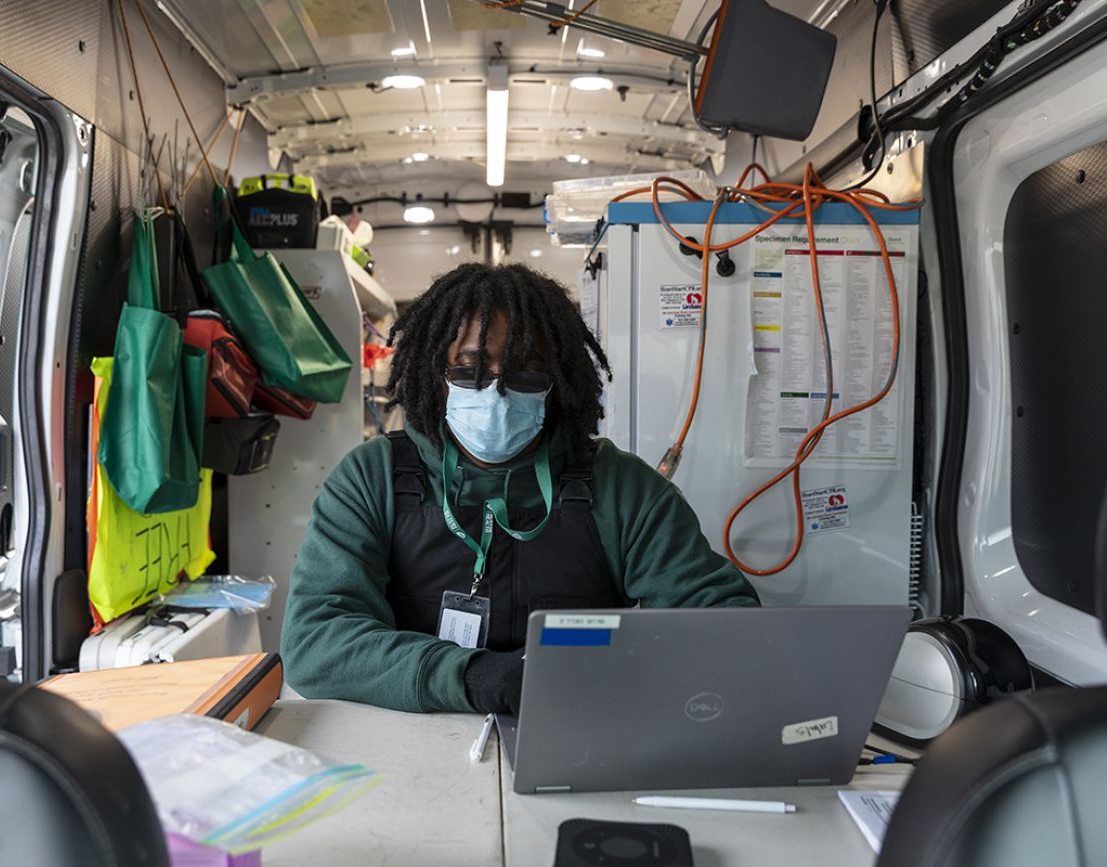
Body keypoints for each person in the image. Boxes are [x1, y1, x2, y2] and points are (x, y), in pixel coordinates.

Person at [280, 262, 758, 714]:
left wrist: (630, 672)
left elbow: (725, 624)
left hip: (575, 729)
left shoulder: (621, 487)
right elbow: (315, 641)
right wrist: (470, 676)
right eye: (469, 369)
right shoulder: (372, 478)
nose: (496, 393)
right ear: (435, 374)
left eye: (524, 372)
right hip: (411, 747)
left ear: (559, 381)